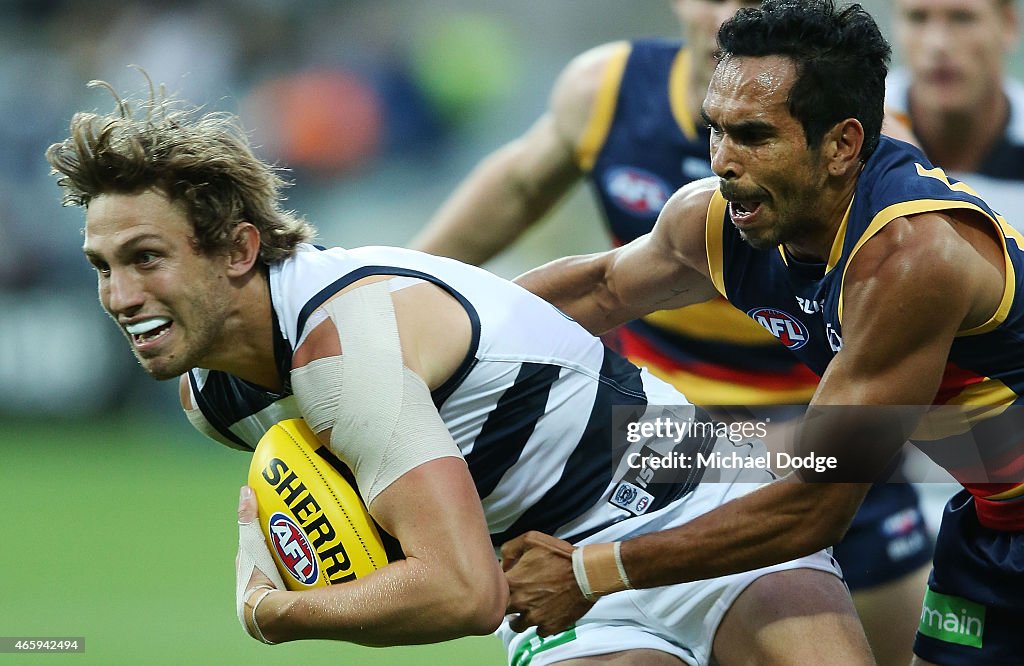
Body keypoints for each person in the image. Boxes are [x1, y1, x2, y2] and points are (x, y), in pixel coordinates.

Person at [46, 80, 873, 665]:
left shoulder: (344, 348)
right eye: (102, 266)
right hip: (551, 576)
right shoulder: (214, 397)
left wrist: (274, 612)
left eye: (146, 258)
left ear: (236, 251)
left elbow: (460, 594)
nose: (118, 296)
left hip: (688, 485)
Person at [499, 2, 1024, 665]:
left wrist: (589, 572)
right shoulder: (718, 219)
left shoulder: (907, 257)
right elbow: (596, 288)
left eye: (753, 135)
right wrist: (417, 331)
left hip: (861, 478)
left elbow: (816, 506)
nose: (720, 161)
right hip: (991, 519)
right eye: (714, 130)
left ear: (842, 145)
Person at [887, 0, 1024, 219]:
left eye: (962, 18)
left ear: (1009, 24)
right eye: (917, 17)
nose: (937, 43)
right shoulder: (847, 137)